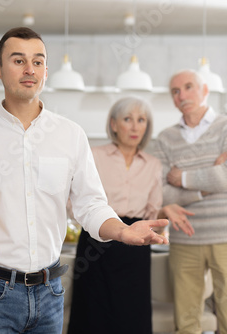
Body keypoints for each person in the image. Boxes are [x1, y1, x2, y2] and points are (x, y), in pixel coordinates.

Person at [0, 27, 168, 334]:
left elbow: (90, 204)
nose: (30, 69)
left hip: (49, 291)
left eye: (38, 61)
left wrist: (122, 230)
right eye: (18, 61)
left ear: (46, 71)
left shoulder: (70, 135)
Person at [67, 96, 193, 334]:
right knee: (92, 312)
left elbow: (152, 209)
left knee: (132, 313)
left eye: (141, 120)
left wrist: (164, 212)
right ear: (114, 124)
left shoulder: (153, 164)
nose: (135, 126)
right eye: (128, 119)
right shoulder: (93, 155)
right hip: (98, 240)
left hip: (135, 246)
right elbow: (75, 202)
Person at [153, 69, 227, 334]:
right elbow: (161, 194)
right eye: (175, 91)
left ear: (205, 90)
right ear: (172, 99)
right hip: (185, 238)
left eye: (188, 87)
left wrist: (181, 176)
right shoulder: (164, 139)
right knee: (186, 325)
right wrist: (207, 184)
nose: (182, 95)